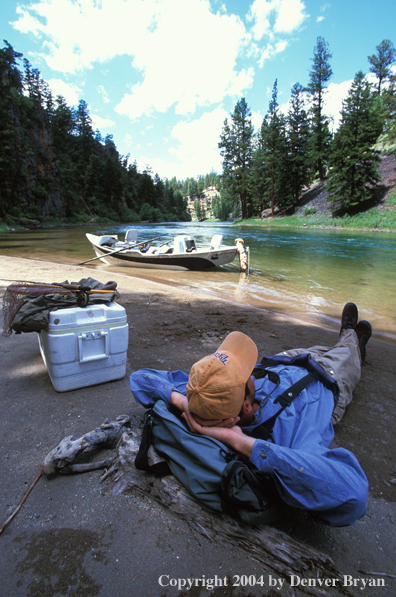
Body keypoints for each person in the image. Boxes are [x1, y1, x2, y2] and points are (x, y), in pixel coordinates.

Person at [130, 303, 372, 527]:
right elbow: (354, 495)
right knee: (347, 353)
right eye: (247, 375)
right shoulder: (289, 433)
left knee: (326, 349)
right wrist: (241, 441)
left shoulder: (203, 391)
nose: (252, 374)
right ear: (246, 407)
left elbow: (139, 378)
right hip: (328, 378)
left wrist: (184, 402)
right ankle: (353, 336)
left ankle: (350, 339)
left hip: (288, 361)